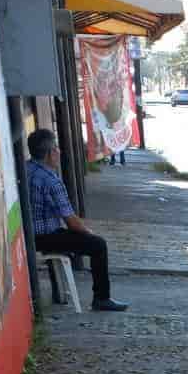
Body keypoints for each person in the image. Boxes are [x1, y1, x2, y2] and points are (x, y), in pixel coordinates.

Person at [26, 129, 127, 312]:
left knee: (78, 240)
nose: (59, 151)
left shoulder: (26, 169)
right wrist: (88, 232)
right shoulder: (51, 180)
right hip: (45, 236)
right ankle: (101, 298)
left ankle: (66, 292)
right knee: (98, 245)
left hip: (26, 235)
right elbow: (71, 221)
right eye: (56, 148)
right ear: (50, 154)